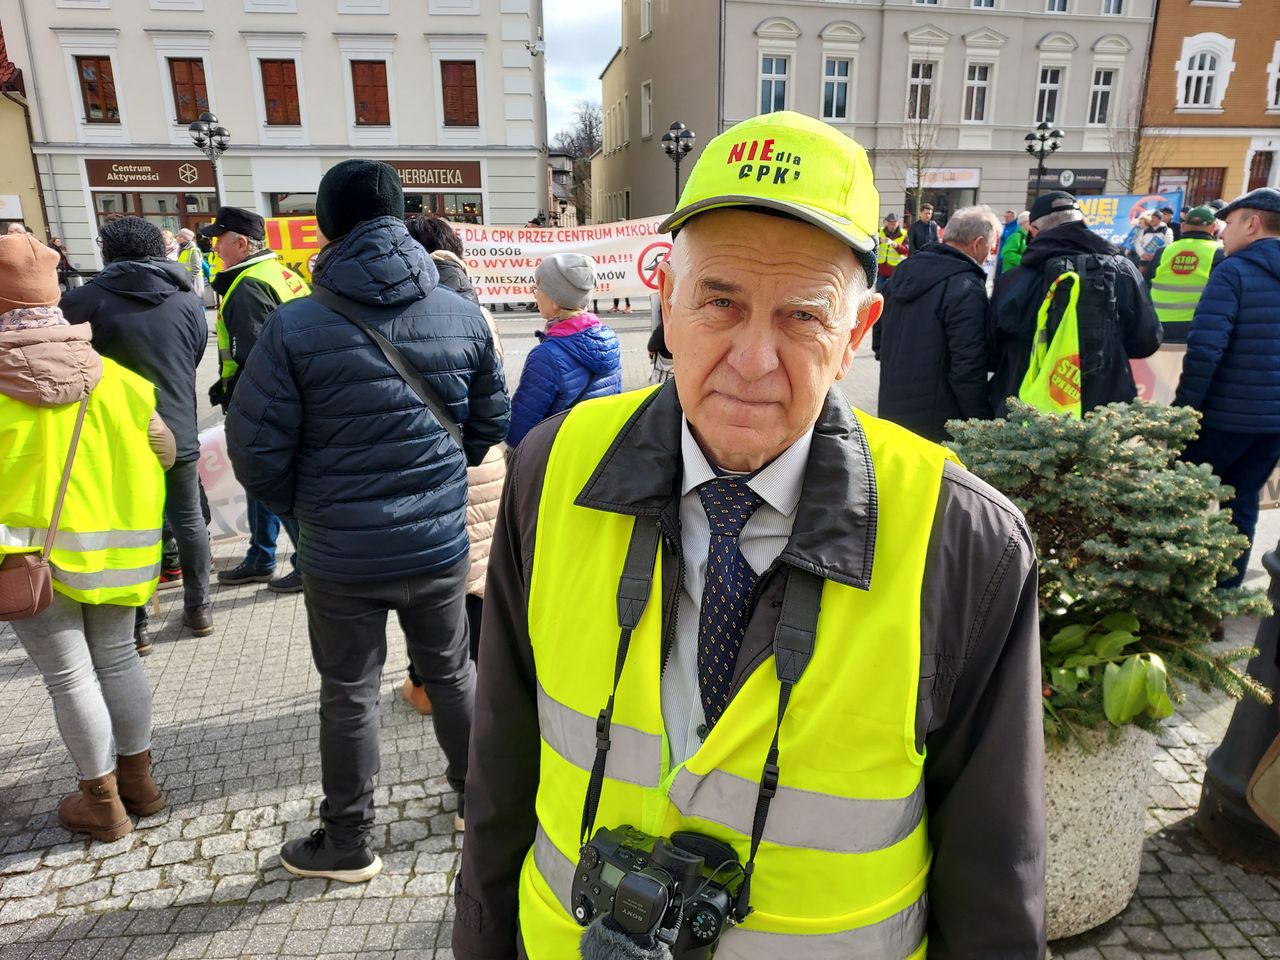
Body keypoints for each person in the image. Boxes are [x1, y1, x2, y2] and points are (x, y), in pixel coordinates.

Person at [453, 110, 1045, 960]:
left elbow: (995, 872)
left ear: (857, 335)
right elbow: (500, 771)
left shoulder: (963, 538)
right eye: (720, 302)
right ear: (665, 301)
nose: (753, 359)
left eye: (803, 317)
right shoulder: (554, 470)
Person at [225, 159, 510, 882]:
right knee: (452, 672)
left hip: (341, 554)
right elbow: (488, 427)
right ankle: (477, 804)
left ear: (326, 225)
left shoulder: (295, 325)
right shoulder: (461, 311)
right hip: (438, 542)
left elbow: (256, 452)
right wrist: (439, 484)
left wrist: (306, 510)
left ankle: (348, 839)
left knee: (349, 693)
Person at [0, 232, 172, 842]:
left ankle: (102, 803)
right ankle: (140, 783)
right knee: (119, 659)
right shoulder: (118, 379)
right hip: (119, 553)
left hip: (28, 560)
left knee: (69, 677)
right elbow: (166, 449)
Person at [60, 216, 214, 643]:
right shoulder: (186, 299)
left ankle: (137, 622)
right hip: (179, 421)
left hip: (110, 435)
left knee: (122, 525)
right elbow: (194, 354)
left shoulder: (81, 302)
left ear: (107, 252)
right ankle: (199, 608)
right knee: (188, 520)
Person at [401, 213, 508, 715]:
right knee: (483, 579)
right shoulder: (479, 311)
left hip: (433, 470)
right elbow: (497, 406)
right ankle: (490, 683)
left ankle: (431, 685)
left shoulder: (405, 311)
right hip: (486, 467)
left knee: (436, 586)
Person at [1174, 187, 1280, 588]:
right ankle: (1223, 595)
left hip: (1222, 418)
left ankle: (1177, 597)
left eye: (1230, 223)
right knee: (1243, 502)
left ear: (1252, 224)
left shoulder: (1232, 272)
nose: (1222, 233)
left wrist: (1185, 411)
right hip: (1272, 424)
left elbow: (1204, 350)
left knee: (1179, 498)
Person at [202, 207, 310, 594]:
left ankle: (305, 563)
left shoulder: (248, 284)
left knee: (274, 481)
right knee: (260, 481)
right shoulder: (281, 274)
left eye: (219, 239)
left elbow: (253, 358)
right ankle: (261, 556)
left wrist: (247, 406)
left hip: (265, 405)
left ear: (241, 243)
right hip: (292, 398)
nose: (214, 247)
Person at [988, 190, 1162, 417]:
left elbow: (991, 351)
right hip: (1105, 413)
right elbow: (1147, 339)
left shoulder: (1012, 281)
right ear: (1084, 224)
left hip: (1024, 411)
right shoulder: (1123, 270)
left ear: (1033, 231)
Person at [876, 205, 998, 441]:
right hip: (939, 421)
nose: (990, 254)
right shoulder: (965, 286)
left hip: (894, 405)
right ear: (977, 243)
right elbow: (967, 366)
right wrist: (981, 422)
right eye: (989, 246)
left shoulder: (905, 270)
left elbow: (879, 333)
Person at [505, 254, 621, 448]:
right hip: (598, 453)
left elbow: (517, 433)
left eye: (537, 288)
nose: (534, 294)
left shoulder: (546, 356)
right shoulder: (609, 339)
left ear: (555, 300)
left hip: (558, 459)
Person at [1146, 205, 1225, 344]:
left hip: (1156, 324)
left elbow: (1145, 287)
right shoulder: (1220, 253)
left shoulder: (1163, 252)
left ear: (1182, 227)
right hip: (1195, 328)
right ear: (1213, 228)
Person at [876, 211, 909, 288]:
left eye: (894, 224)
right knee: (879, 290)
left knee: (892, 292)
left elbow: (905, 250)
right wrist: (880, 240)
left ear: (897, 223)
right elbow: (872, 244)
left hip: (895, 270)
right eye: (890, 224)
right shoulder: (880, 231)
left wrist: (896, 245)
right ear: (886, 222)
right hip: (881, 270)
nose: (892, 226)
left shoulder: (903, 234)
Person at [175, 227, 205, 298]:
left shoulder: (193, 250)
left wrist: (188, 279)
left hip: (193, 281)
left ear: (186, 238)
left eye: (180, 237)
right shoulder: (181, 249)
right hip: (185, 279)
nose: (177, 238)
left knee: (197, 301)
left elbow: (196, 268)